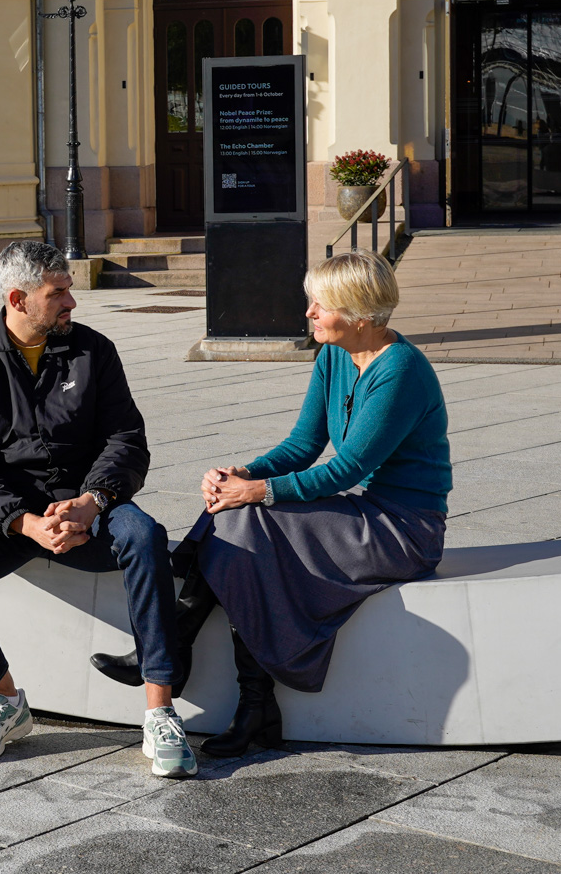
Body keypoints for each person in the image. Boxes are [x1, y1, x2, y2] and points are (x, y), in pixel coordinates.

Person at [91, 250, 451, 757]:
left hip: (404, 528)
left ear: (361, 315)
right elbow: (303, 446)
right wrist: (242, 474)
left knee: (245, 520)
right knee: (239, 523)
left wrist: (255, 492)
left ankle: (183, 654)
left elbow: (345, 469)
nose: (307, 314)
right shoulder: (334, 354)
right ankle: (246, 700)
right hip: (363, 513)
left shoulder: (401, 372)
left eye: (319, 305)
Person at [0, 240, 197, 779]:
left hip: (89, 505)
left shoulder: (95, 352)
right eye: (59, 293)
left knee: (146, 537)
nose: (72, 303)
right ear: (18, 298)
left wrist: (93, 501)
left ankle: (160, 710)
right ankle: (2, 700)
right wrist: (25, 522)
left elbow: (127, 439)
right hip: (8, 514)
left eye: (69, 290)